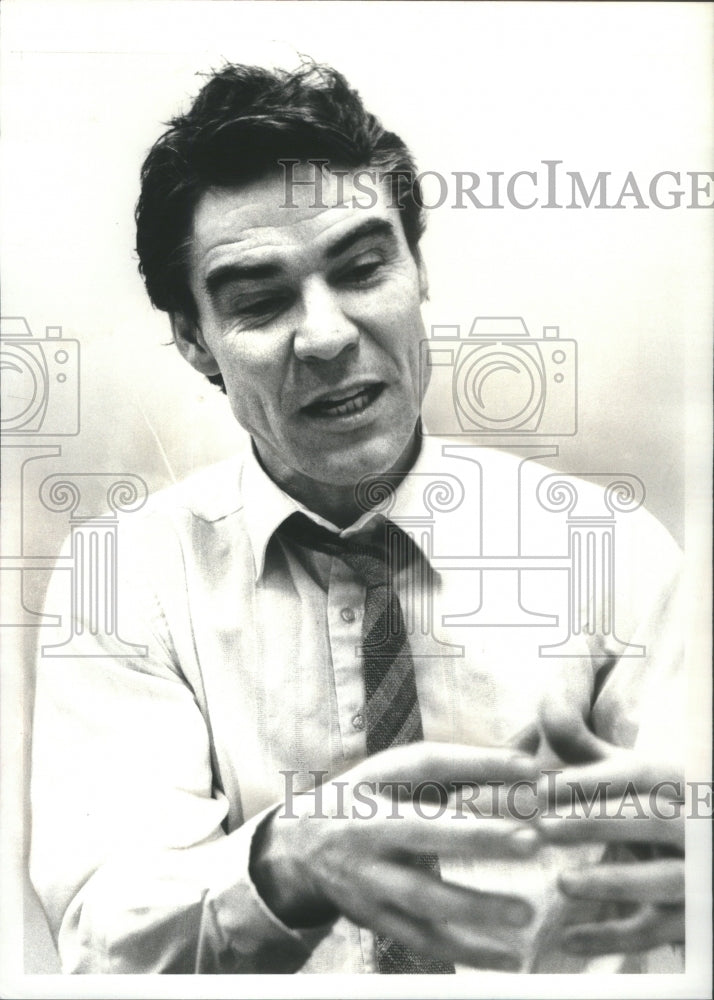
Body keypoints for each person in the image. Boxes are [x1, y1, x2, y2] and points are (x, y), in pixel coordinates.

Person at [30, 60, 685, 975]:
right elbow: (107, 942)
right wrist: (288, 858)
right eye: (260, 302)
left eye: (364, 268)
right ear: (193, 339)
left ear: (418, 272)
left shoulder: (610, 551)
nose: (328, 336)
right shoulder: (126, 580)